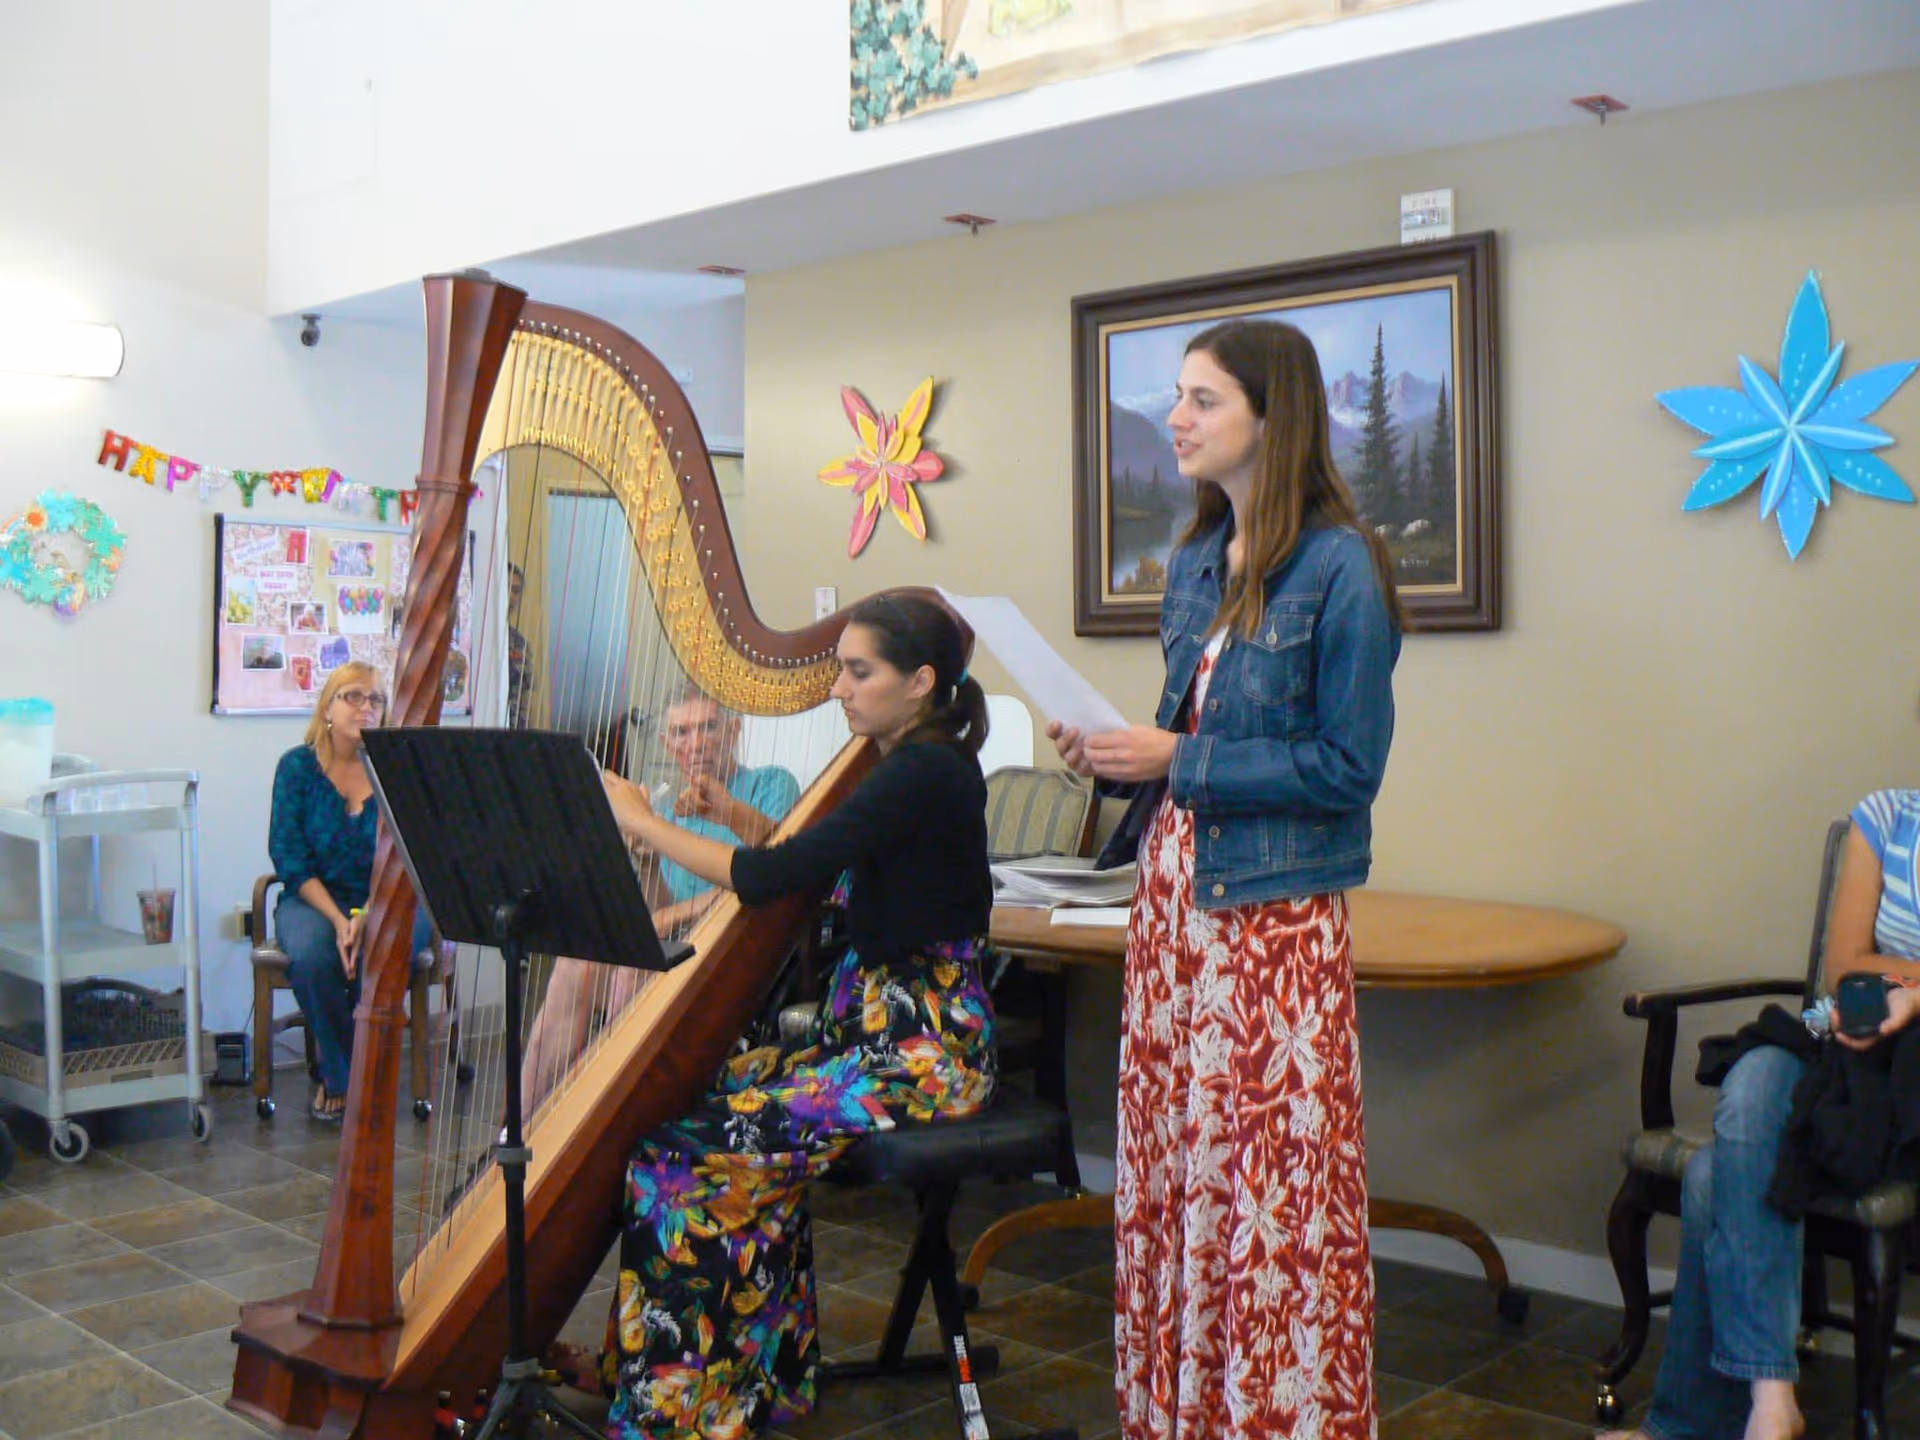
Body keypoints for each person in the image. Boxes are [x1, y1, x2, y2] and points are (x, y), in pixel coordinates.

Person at [1050, 318, 1403, 1440]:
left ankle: (1272, 1414)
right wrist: (1117, 758)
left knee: (1266, 1190)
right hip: (1172, 912)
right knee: (1183, 1175)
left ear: (1271, 415)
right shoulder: (1198, 558)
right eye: (1178, 396)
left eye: (1203, 399)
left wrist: (1179, 759)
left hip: (1269, 923)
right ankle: (1183, 1412)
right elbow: (1184, 733)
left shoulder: (1342, 565)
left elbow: (1349, 769)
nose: (1179, 418)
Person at [592, 592, 996, 1438]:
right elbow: (822, 866)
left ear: (921, 681)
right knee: (703, 1094)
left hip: (919, 1053)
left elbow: (769, 880)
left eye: (858, 672)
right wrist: (728, 815)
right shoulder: (909, 766)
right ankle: (757, 1382)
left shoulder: (924, 772)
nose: (840, 689)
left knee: (683, 1156)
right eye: (840, 670)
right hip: (870, 1036)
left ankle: (687, 1408)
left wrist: (642, 823)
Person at [1603, 790, 1920, 1440]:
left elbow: (1875, 970)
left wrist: (1911, 991)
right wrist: (1883, 995)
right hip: (1846, 1025)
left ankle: (1689, 1427)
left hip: (1908, 1067)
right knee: (1752, 1077)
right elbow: (1843, 970)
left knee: (1712, 1177)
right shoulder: (1887, 818)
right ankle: (1773, 1399)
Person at [519, 689, 800, 1109]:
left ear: (734, 731)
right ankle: (521, 1123)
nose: (696, 742)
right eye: (680, 732)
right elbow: (659, 909)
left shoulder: (770, 783)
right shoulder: (665, 813)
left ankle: (609, 1108)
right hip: (684, 948)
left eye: (708, 726)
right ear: (668, 744)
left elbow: (768, 872)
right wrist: (647, 859)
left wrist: (671, 915)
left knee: (636, 971)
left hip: (744, 952)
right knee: (577, 960)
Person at [268, 661, 434, 1121]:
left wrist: (368, 913)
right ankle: (345, 1079)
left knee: (376, 957)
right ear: (328, 707)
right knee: (315, 957)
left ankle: (359, 1075)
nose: (366, 707)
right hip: (314, 898)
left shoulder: (396, 769)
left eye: (376, 699)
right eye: (353, 696)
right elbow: (289, 857)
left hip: (392, 897)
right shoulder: (297, 769)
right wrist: (342, 920)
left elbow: (411, 856)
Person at [506, 561, 535, 727]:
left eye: (516, 591)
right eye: (507, 587)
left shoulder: (519, 643)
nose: (511, 596)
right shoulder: (473, 638)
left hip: (515, 733)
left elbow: (526, 696)